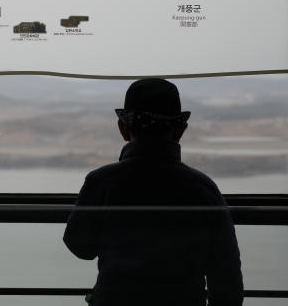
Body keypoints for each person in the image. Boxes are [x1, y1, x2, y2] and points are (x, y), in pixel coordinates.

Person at [63, 79, 243, 306]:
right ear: (180, 131)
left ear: (122, 128)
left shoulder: (101, 181)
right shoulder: (202, 188)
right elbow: (227, 278)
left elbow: (80, 246)